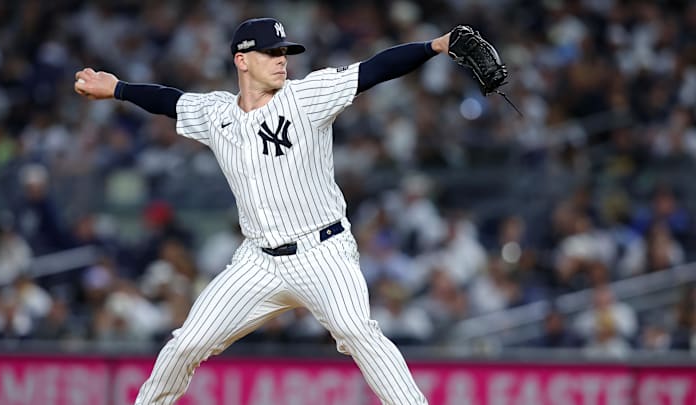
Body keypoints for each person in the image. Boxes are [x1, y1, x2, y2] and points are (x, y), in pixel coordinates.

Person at [74, 17, 464, 405]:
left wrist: (435, 46)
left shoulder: (307, 97)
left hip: (324, 252)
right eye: (271, 52)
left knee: (357, 330)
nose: (282, 60)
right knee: (187, 343)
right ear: (242, 60)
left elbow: (375, 69)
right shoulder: (216, 114)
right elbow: (168, 101)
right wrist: (118, 89)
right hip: (258, 262)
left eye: (284, 52)